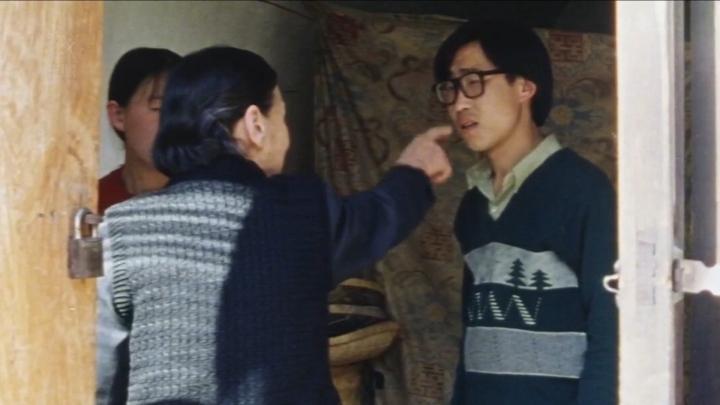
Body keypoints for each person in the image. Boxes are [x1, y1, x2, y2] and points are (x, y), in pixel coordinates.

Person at [96, 46, 453, 405]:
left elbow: (99, 370)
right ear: (255, 124)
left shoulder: (121, 228)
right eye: (281, 116)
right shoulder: (302, 211)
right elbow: (377, 217)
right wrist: (414, 172)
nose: (285, 133)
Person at [432, 20, 617, 404]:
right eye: (450, 88)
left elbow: (611, 330)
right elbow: (474, 335)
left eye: (473, 82)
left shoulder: (583, 190)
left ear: (525, 86)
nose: (459, 103)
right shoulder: (473, 206)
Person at [99, 47, 181, 214]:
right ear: (118, 116)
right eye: (159, 108)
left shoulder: (207, 200)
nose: (177, 122)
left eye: (186, 110)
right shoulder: (96, 201)